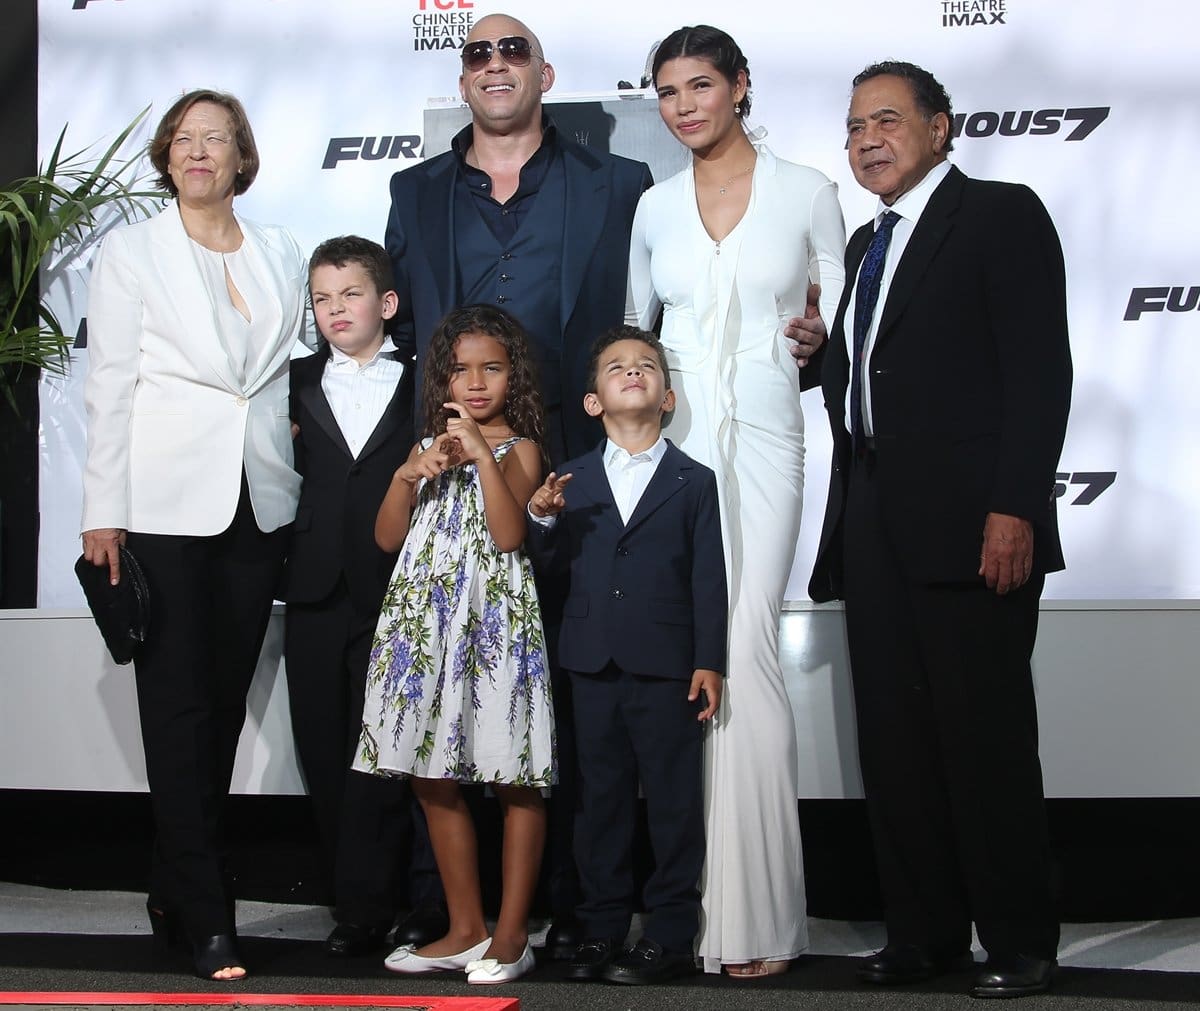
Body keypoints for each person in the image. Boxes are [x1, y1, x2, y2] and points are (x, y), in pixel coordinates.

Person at [384, 11, 654, 953]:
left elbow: (653, 316)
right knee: (453, 692)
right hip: (454, 486)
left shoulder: (620, 184)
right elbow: (396, 332)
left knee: (564, 691)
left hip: (572, 478)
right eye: (477, 53)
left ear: (544, 71)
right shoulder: (413, 191)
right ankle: (455, 910)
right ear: (461, 79)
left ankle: (576, 908)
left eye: (512, 51)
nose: (494, 65)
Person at [808, 61, 1071, 999]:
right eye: (852, 127)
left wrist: (1016, 508)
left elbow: (1040, 374)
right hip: (874, 517)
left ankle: (1020, 941)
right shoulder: (866, 245)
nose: (866, 140)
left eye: (886, 120)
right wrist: (821, 356)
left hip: (974, 522)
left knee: (983, 736)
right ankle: (923, 933)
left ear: (941, 128)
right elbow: (881, 366)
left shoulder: (1000, 215)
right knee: (895, 739)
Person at [626, 25, 846, 976]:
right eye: (669, 92)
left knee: (745, 648)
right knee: (689, 660)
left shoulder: (810, 193)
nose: (684, 107)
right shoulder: (651, 206)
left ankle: (755, 918)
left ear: (741, 87)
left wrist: (813, 338)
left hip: (764, 443)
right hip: (673, 454)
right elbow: (635, 338)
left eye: (701, 86)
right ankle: (687, 905)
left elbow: (841, 330)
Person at [80, 89, 307, 980]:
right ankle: (210, 913)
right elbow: (109, 384)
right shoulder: (132, 250)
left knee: (216, 709)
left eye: (216, 137)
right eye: (184, 138)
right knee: (176, 711)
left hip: (260, 504)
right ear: (168, 156)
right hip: (163, 507)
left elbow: (290, 372)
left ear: (241, 155)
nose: (199, 150)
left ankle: (176, 883)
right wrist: (105, 508)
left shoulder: (282, 249)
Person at [353, 305, 554, 985]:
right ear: (441, 375)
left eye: (491, 367)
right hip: (426, 620)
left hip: (494, 623)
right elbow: (386, 538)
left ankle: (510, 932)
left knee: (511, 773)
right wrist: (411, 472)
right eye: (461, 368)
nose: (474, 381)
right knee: (427, 770)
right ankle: (465, 926)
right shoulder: (425, 448)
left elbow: (507, 534)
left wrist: (477, 451)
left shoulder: (520, 446)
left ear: (512, 375)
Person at [526, 326, 727, 986]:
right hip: (590, 663)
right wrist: (545, 520)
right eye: (616, 366)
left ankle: (668, 933)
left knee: (672, 802)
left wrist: (709, 656)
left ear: (667, 397)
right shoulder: (569, 478)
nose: (633, 371)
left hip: (668, 664)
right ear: (592, 401)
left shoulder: (693, 480)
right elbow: (549, 571)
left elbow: (707, 575)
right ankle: (600, 926)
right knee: (598, 802)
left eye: (647, 365)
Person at [283, 236, 444, 957]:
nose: (334, 309)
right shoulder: (290, 380)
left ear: (386, 302)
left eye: (350, 294)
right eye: (321, 297)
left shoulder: (423, 380)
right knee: (323, 748)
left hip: (396, 585)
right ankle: (353, 906)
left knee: (393, 750)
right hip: (314, 586)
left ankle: (409, 902)